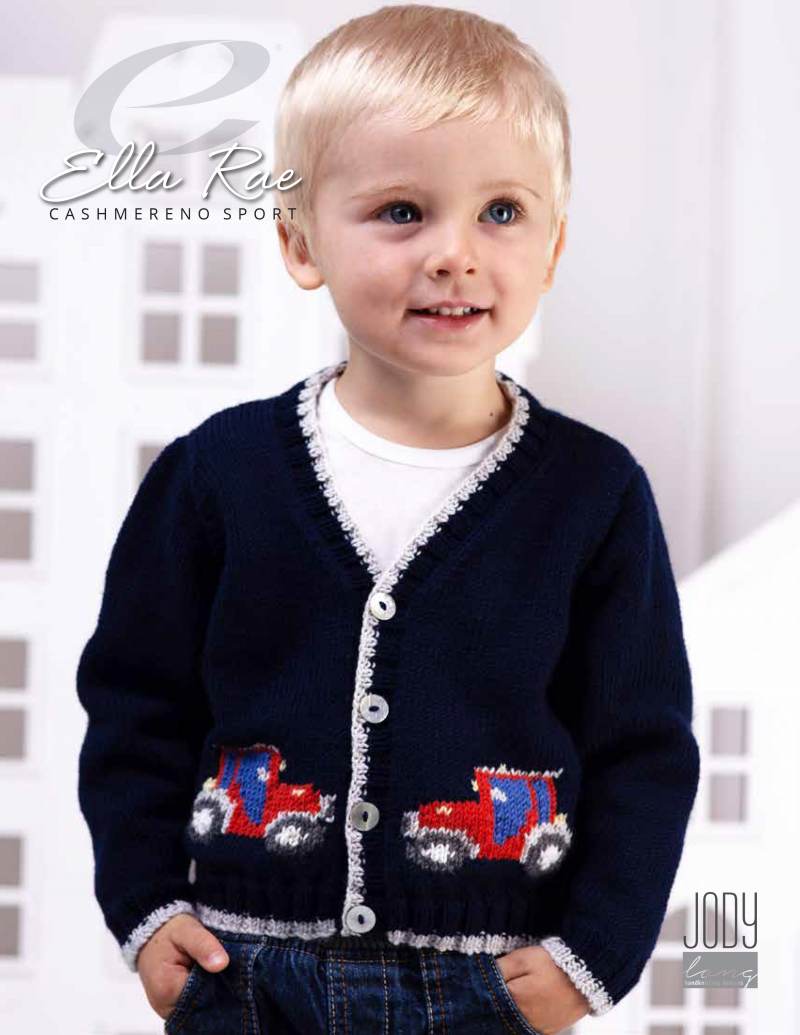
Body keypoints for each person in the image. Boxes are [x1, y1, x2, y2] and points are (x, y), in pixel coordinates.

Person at [76, 5, 701, 1033]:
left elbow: (642, 748)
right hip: (244, 966)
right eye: (403, 211)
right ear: (300, 240)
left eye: (501, 212)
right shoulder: (215, 475)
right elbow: (137, 707)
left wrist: (595, 953)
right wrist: (145, 911)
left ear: (552, 248)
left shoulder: (593, 494)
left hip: (490, 978)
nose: (455, 254)